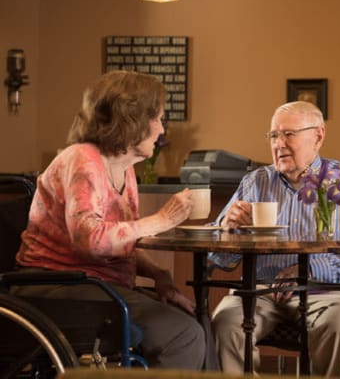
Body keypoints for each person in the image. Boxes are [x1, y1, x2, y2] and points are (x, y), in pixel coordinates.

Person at [14, 70, 206, 369]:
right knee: (184, 334)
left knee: (198, 319)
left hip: (95, 286)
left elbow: (117, 239)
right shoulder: (83, 159)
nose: (161, 130)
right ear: (132, 120)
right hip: (56, 289)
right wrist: (162, 219)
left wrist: (158, 275)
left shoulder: (124, 168)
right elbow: (90, 240)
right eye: (157, 118)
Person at [209, 101, 340, 378]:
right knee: (224, 322)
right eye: (273, 135)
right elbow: (220, 258)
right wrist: (226, 228)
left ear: (318, 136)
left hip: (326, 291)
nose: (279, 143)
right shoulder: (254, 182)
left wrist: (310, 270)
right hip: (259, 290)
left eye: (288, 134)